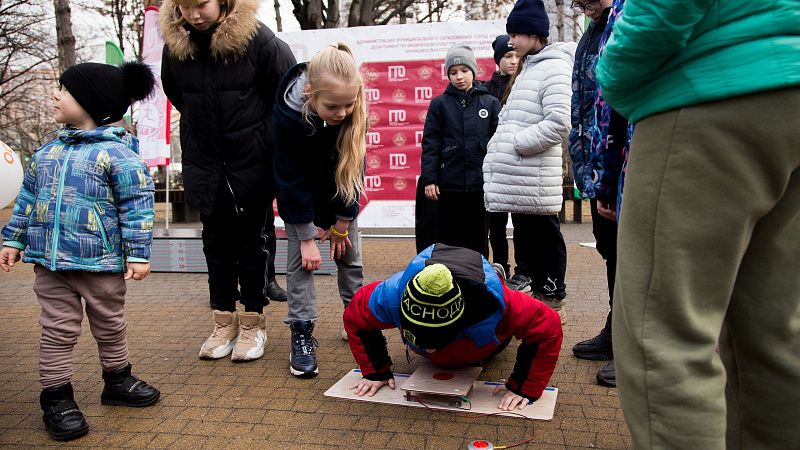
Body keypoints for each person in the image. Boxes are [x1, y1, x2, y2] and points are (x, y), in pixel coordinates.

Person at [596, 1, 800, 448]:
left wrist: (612, 78)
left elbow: (661, 11)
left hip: (711, 90)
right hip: (789, 83)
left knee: (665, 336)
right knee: (773, 332)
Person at [0, 62, 160, 441]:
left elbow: (137, 206)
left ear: (91, 101)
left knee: (109, 324)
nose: (56, 94)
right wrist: (13, 239)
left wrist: (138, 253)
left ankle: (117, 381)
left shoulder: (118, 155)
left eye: (65, 90)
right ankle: (56, 397)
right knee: (56, 331)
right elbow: (25, 200)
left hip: (101, 265)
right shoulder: (45, 154)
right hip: (51, 265)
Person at [159, 0, 295, 362]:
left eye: (201, 4)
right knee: (215, 246)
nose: (194, 15)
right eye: (185, 7)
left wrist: (262, 142)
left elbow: (287, 96)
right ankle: (223, 321)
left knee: (251, 246)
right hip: (204, 162)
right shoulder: (176, 48)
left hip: (250, 161)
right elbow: (178, 95)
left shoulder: (260, 40)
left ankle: (253, 322)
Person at [343, 244, 562, 410]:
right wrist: (375, 372)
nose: (429, 350)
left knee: (516, 311)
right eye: (420, 339)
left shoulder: (499, 306)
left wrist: (524, 387)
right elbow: (356, 315)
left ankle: (498, 274)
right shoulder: (392, 295)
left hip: (486, 345)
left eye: (436, 341)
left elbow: (548, 325)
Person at [273, 43, 366, 378]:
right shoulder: (287, 116)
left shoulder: (353, 107)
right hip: (302, 200)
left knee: (350, 258)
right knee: (301, 265)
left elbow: (354, 169)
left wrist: (342, 222)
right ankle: (301, 332)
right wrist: (306, 234)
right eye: (332, 106)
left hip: (340, 193)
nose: (342, 113)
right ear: (310, 93)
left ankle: (358, 322)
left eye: (348, 104)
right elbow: (289, 177)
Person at [483, 0, 575, 323]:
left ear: (534, 33)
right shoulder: (529, 67)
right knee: (526, 235)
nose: (511, 42)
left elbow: (559, 122)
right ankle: (536, 295)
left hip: (535, 175)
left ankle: (553, 298)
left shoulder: (554, 67)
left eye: (516, 35)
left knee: (545, 237)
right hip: (522, 178)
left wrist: (517, 144)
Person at [567, 0, 621, 387]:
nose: (579, 3)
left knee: (633, 256)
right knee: (612, 251)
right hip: (598, 159)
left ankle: (634, 346)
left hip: (624, 157)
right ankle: (616, 330)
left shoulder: (625, 17)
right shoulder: (593, 29)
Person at [420, 45, 501, 256]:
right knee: (450, 238)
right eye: (453, 72)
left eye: (464, 70)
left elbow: (498, 143)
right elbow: (431, 144)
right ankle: (451, 279)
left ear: (474, 71)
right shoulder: (439, 105)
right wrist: (430, 179)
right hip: (450, 186)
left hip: (480, 186)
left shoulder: (490, 103)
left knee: (479, 238)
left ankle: (478, 279)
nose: (459, 77)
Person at [483, 34, 518, 277]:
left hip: (518, 164)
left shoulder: (527, 83)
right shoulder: (485, 91)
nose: (514, 61)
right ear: (498, 60)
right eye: (507, 56)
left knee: (523, 223)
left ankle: (525, 270)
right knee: (495, 223)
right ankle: (499, 267)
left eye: (517, 55)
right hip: (493, 166)